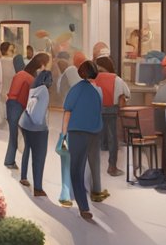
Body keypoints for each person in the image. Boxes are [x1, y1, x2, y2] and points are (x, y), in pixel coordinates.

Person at [61, 59, 105, 221]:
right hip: (94, 133)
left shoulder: (75, 90)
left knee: (76, 171)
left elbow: (67, 112)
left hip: (78, 133)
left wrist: (63, 135)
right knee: (88, 166)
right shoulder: (97, 91)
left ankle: (83, 207)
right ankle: (87, 198)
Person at [19, 65, 53, 197]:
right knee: (39, 157)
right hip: (37, 128)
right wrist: (41, 126)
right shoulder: (44, 91)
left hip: (25, 123)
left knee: (27, 149)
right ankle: (38, 188)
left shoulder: (34, 88)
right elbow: (38, 114)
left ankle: (23, 176)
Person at [95, 56, 130, 178]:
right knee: (112, 138)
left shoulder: (92, 78)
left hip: (96, 111)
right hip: (111, 111)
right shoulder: (117, 79)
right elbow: (126, 94)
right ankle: (112, 167)